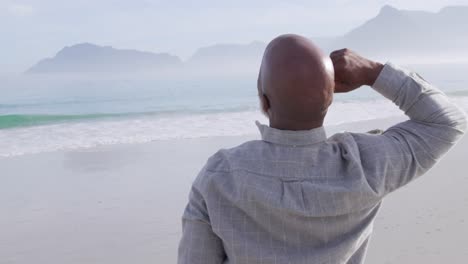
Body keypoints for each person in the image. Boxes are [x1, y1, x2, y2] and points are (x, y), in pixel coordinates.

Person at [177, 34, 467, 264]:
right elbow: (446, 123)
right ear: (330, 101)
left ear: (264, 101)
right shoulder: (366, 165)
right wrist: (372, 72)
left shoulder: (220, 176)